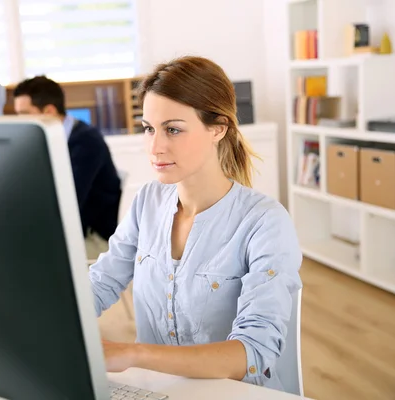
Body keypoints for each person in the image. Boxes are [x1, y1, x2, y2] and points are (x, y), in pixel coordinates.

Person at [88, 56, 303, 391]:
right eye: (149, 128)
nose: (155, 147)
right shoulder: (147, 201)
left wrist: (132, 354)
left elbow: (253, 351)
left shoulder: (264, 222)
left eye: (173, 129)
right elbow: (102, 281)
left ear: (218, 127)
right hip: (160, 390)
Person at [13, 76, 122, 259]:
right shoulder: (52, 139)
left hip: (92, 239)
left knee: (22, 254)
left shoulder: (86, 142)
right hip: (72, 231)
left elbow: (68, 204)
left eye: (24, 114)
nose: (20, 121)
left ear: (48, 112)